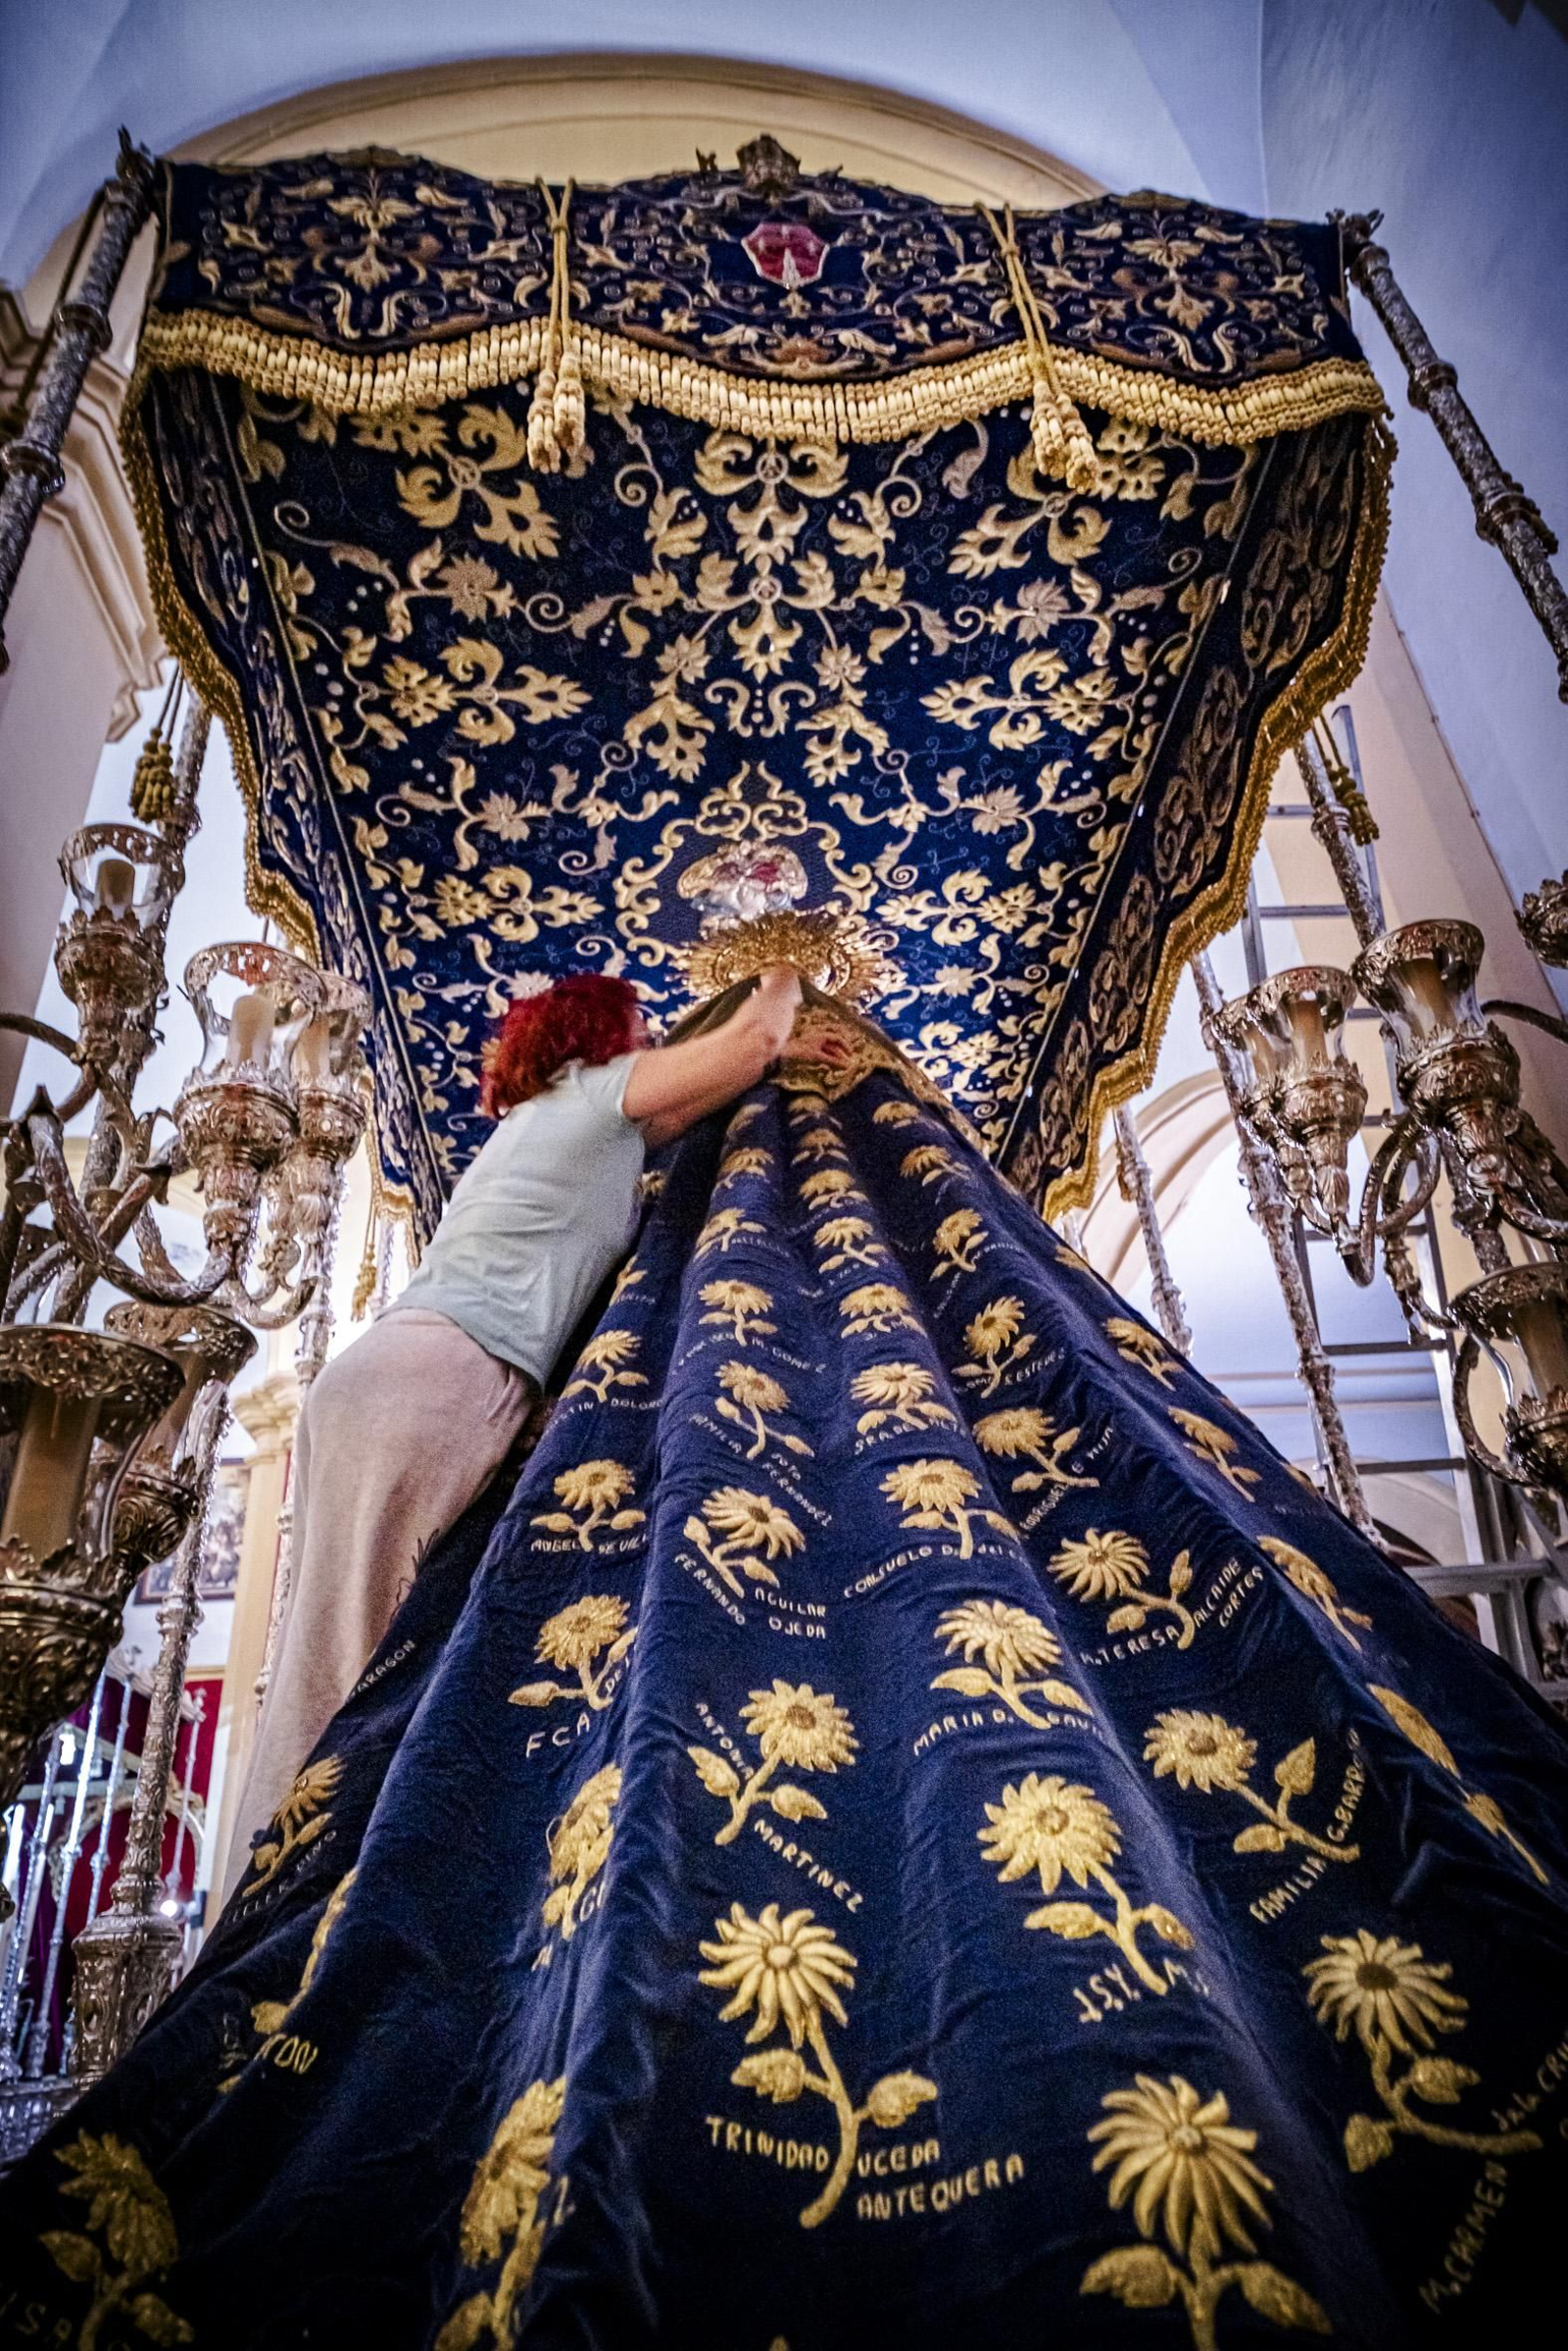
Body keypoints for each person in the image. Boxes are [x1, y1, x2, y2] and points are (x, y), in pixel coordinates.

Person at [224, 961, 809, 1894]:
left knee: (332, 1653)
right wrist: (783, 981)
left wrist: (766, 1058)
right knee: (349, 1664)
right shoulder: (594, 1092)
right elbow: (751, 1042)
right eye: (642, 1027)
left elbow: (686, 1107)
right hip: (436, 1376)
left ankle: (272, 1884)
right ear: (600, 1036)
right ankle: (283, 1900)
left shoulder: (553, 1121)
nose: (654, 1041)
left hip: (397, 1375)